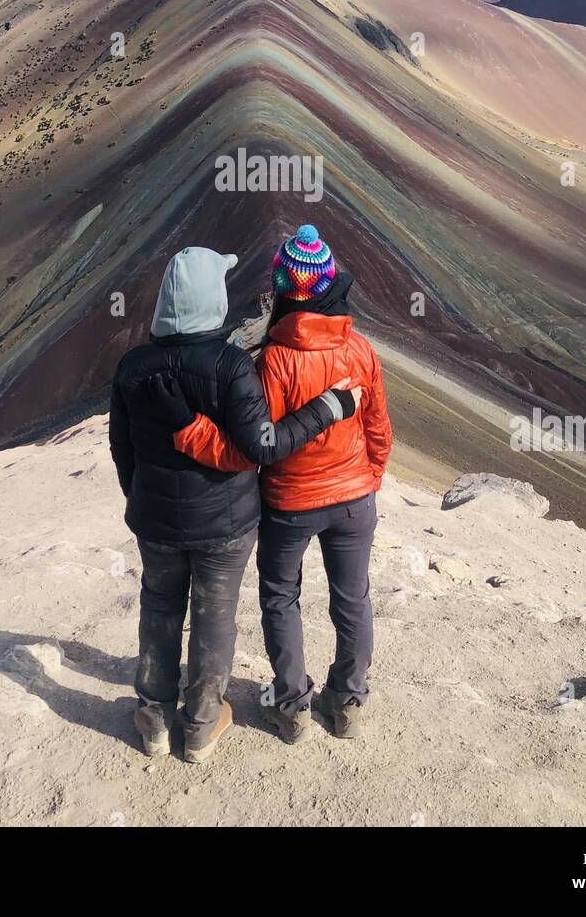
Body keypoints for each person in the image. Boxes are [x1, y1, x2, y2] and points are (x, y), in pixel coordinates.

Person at [108, 245, 360, 764]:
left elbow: (121, 446)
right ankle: (200, 724)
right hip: (226, 523)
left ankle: (154, 716)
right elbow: (262, 446)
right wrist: (327, 408)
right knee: (213, 614)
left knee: (159, 605)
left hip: (155, 520)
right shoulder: (230, 366)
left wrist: (138, 494)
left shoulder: (132, 367)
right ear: (210, 299)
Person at [164, 225, 393, 745]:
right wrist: (369, 478)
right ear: (330, 285)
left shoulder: (271, 362)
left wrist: (194, 434)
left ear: (284, 291)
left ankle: (291, 707)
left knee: (280, 598)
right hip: (355, 499)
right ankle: (349, 701)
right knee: (352, 598)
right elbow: (379, 428)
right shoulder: (360, 351)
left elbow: (253, 443)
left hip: (290, 502)